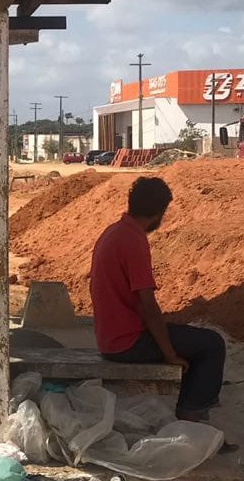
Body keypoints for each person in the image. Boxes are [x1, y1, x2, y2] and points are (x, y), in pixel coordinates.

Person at [90, 176, 225, 421]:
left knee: (193, 338)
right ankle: (192, 415)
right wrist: (169, 353)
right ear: (159, 212)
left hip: (110, 337)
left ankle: (194, 407)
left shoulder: (114, 232)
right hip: (126, 342)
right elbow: (148, 306)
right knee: (212, 344)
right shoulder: (134, 241)